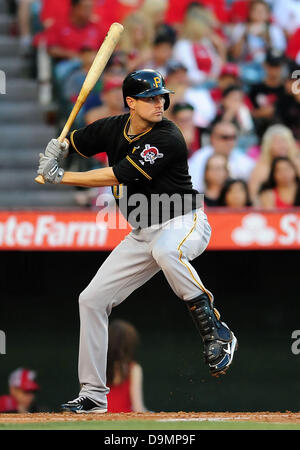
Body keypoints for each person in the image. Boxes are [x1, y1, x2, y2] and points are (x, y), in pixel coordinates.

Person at [37, 69, 237, 413]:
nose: (159, 102)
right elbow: (79, 142)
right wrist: (59, 147)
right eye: (150, 98)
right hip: (142, 231)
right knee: (91, 299)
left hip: (183, 220)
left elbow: (118, 174)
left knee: (166, 250)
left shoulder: (168, 136)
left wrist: (62, 176)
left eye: (162, 97)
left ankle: (216, 330)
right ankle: (93, 394)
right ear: (130, 102)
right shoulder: (113, 127)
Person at [188, 121, 255, 193]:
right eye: (225, 137)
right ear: (213, 138)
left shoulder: (243, 160)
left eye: (233, 137)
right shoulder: (199, 158)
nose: (230, 142)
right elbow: (192, 189)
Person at [248, 124, 300, 202]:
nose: (281, 145)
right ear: (268, 145)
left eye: (284, 141)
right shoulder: (261, 168)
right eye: (277, 142)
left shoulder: (297, 164)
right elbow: (253, 195)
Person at [106, 319, 147, 413]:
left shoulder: (93, 369)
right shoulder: (134, 369)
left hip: (99, 422)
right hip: (125, 423)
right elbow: (138, 408)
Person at [248, 49, 288, 139]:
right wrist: (259, 113)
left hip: (285, 135)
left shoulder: (287, 90)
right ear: (265, 65)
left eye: (277, 66)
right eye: (272, 65)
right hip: (259, 133)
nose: (274, 70)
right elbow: (246, 113)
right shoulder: (255, 89)